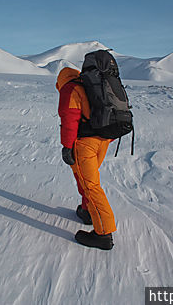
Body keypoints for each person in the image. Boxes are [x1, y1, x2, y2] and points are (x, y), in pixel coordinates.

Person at [56, 67, 116, 250]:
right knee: (84, 178)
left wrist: (67, 147)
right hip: (103, 139)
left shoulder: (70, 88)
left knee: (91, 185)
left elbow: (69, 118)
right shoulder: (90, 85)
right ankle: (88, 211)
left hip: (85, 143)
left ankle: (103, 234)